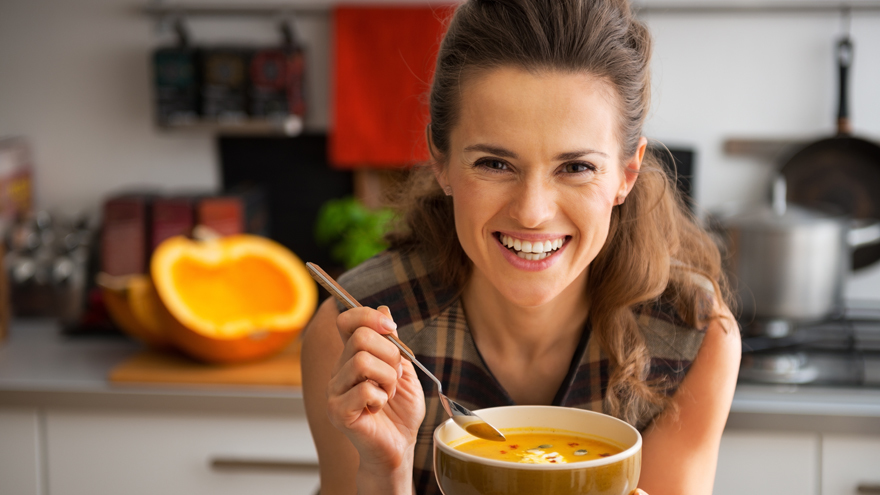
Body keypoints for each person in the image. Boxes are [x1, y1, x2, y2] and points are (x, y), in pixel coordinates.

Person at [301, 0, 741, 493]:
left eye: (576, 167)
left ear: (626, 174)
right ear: (441, 161)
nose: (532, 212)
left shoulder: (692, 333)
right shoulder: (356, 338)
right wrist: (385, 472)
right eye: (494, 163)